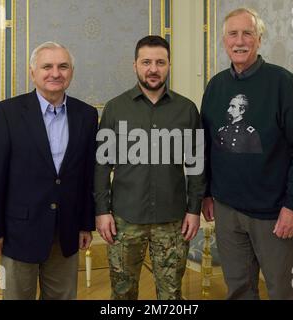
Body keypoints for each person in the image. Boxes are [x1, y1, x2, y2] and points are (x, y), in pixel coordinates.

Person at [201, 8, 293, 300]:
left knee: (284, 292)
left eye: (248, 33)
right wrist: (204, 193)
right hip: (227, 211)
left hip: (274, 213)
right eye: (233, 33)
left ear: (259, 39)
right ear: (223, 40)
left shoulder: (284, 84)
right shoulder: (215, 86)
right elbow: (204, 145)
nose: (239, 40)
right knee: (239, 289)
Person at [0, 41, 98, 300]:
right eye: (47, 66)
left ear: (71, 73)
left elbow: (88, 175)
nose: (55, 73)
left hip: (66, 231)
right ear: (33, 73)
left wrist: (85, 225)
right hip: (19, 232)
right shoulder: (7, 113)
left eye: (63, 66)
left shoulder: (86, 115)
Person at [94, 35, 205, 300]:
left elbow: (197, 165)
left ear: (168, 65)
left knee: (171, 294)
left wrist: (194, 210)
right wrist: (101, 211)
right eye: (146, 62)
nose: (153, 69)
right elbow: (101, 165)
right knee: (122, 293)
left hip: (173, 219)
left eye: (160, 62)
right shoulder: (115, 109)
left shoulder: (187, 110)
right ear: (135, 65)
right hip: (124, 219)